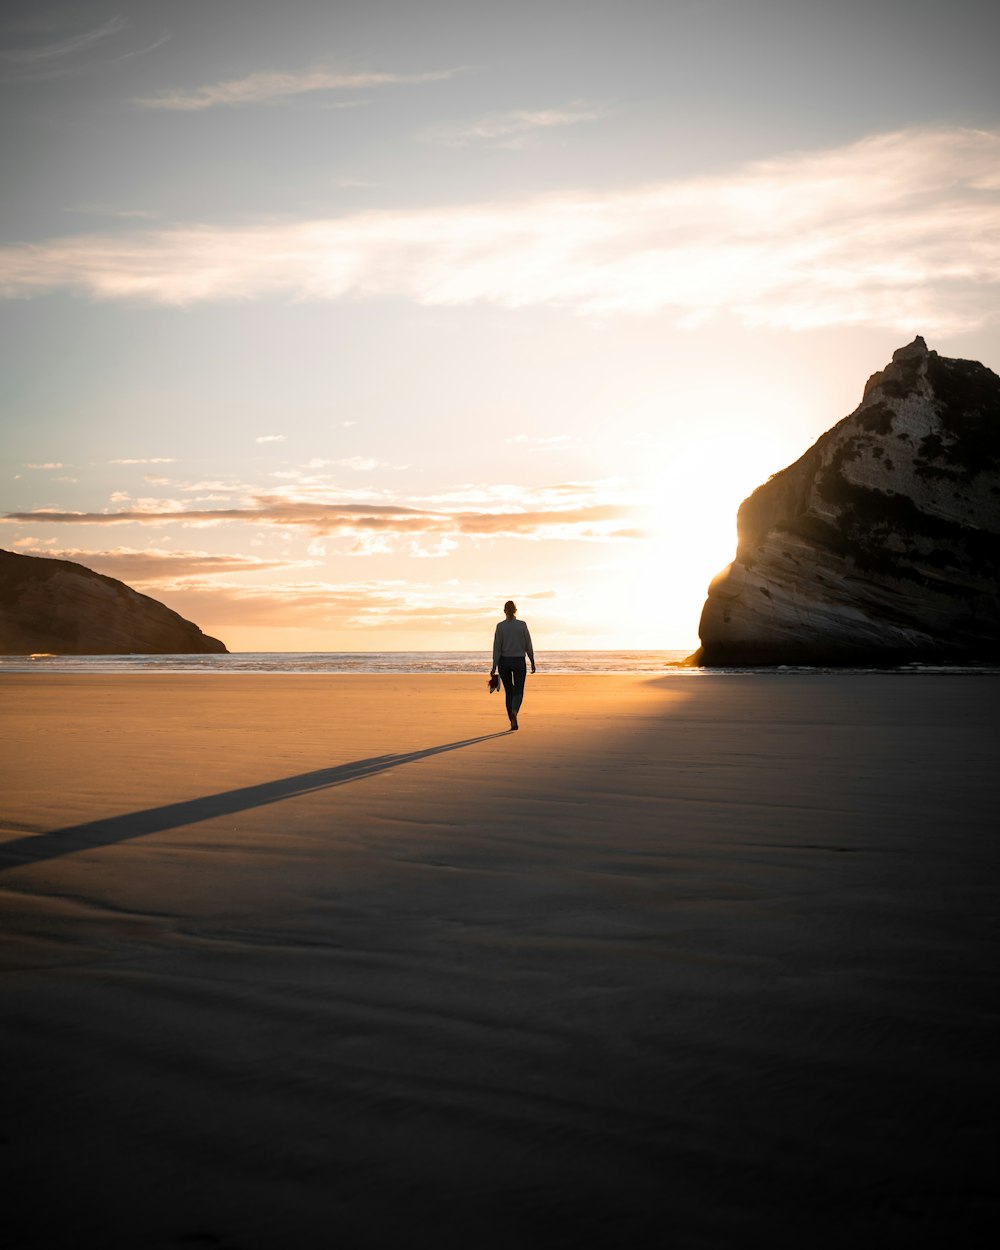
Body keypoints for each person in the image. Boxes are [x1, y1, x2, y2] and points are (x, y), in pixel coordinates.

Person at [490, 600, 535, 731]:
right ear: (516, 610)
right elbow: (528, 645)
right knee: (518, 690)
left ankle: (512, 721)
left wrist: (494, 666)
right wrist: (532, 660)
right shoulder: (522, 625)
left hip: (504, 662)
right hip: (519, 661)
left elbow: (497, 648)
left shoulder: (500, 626)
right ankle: (515, 711)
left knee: (509, 692)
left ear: (504, 611)